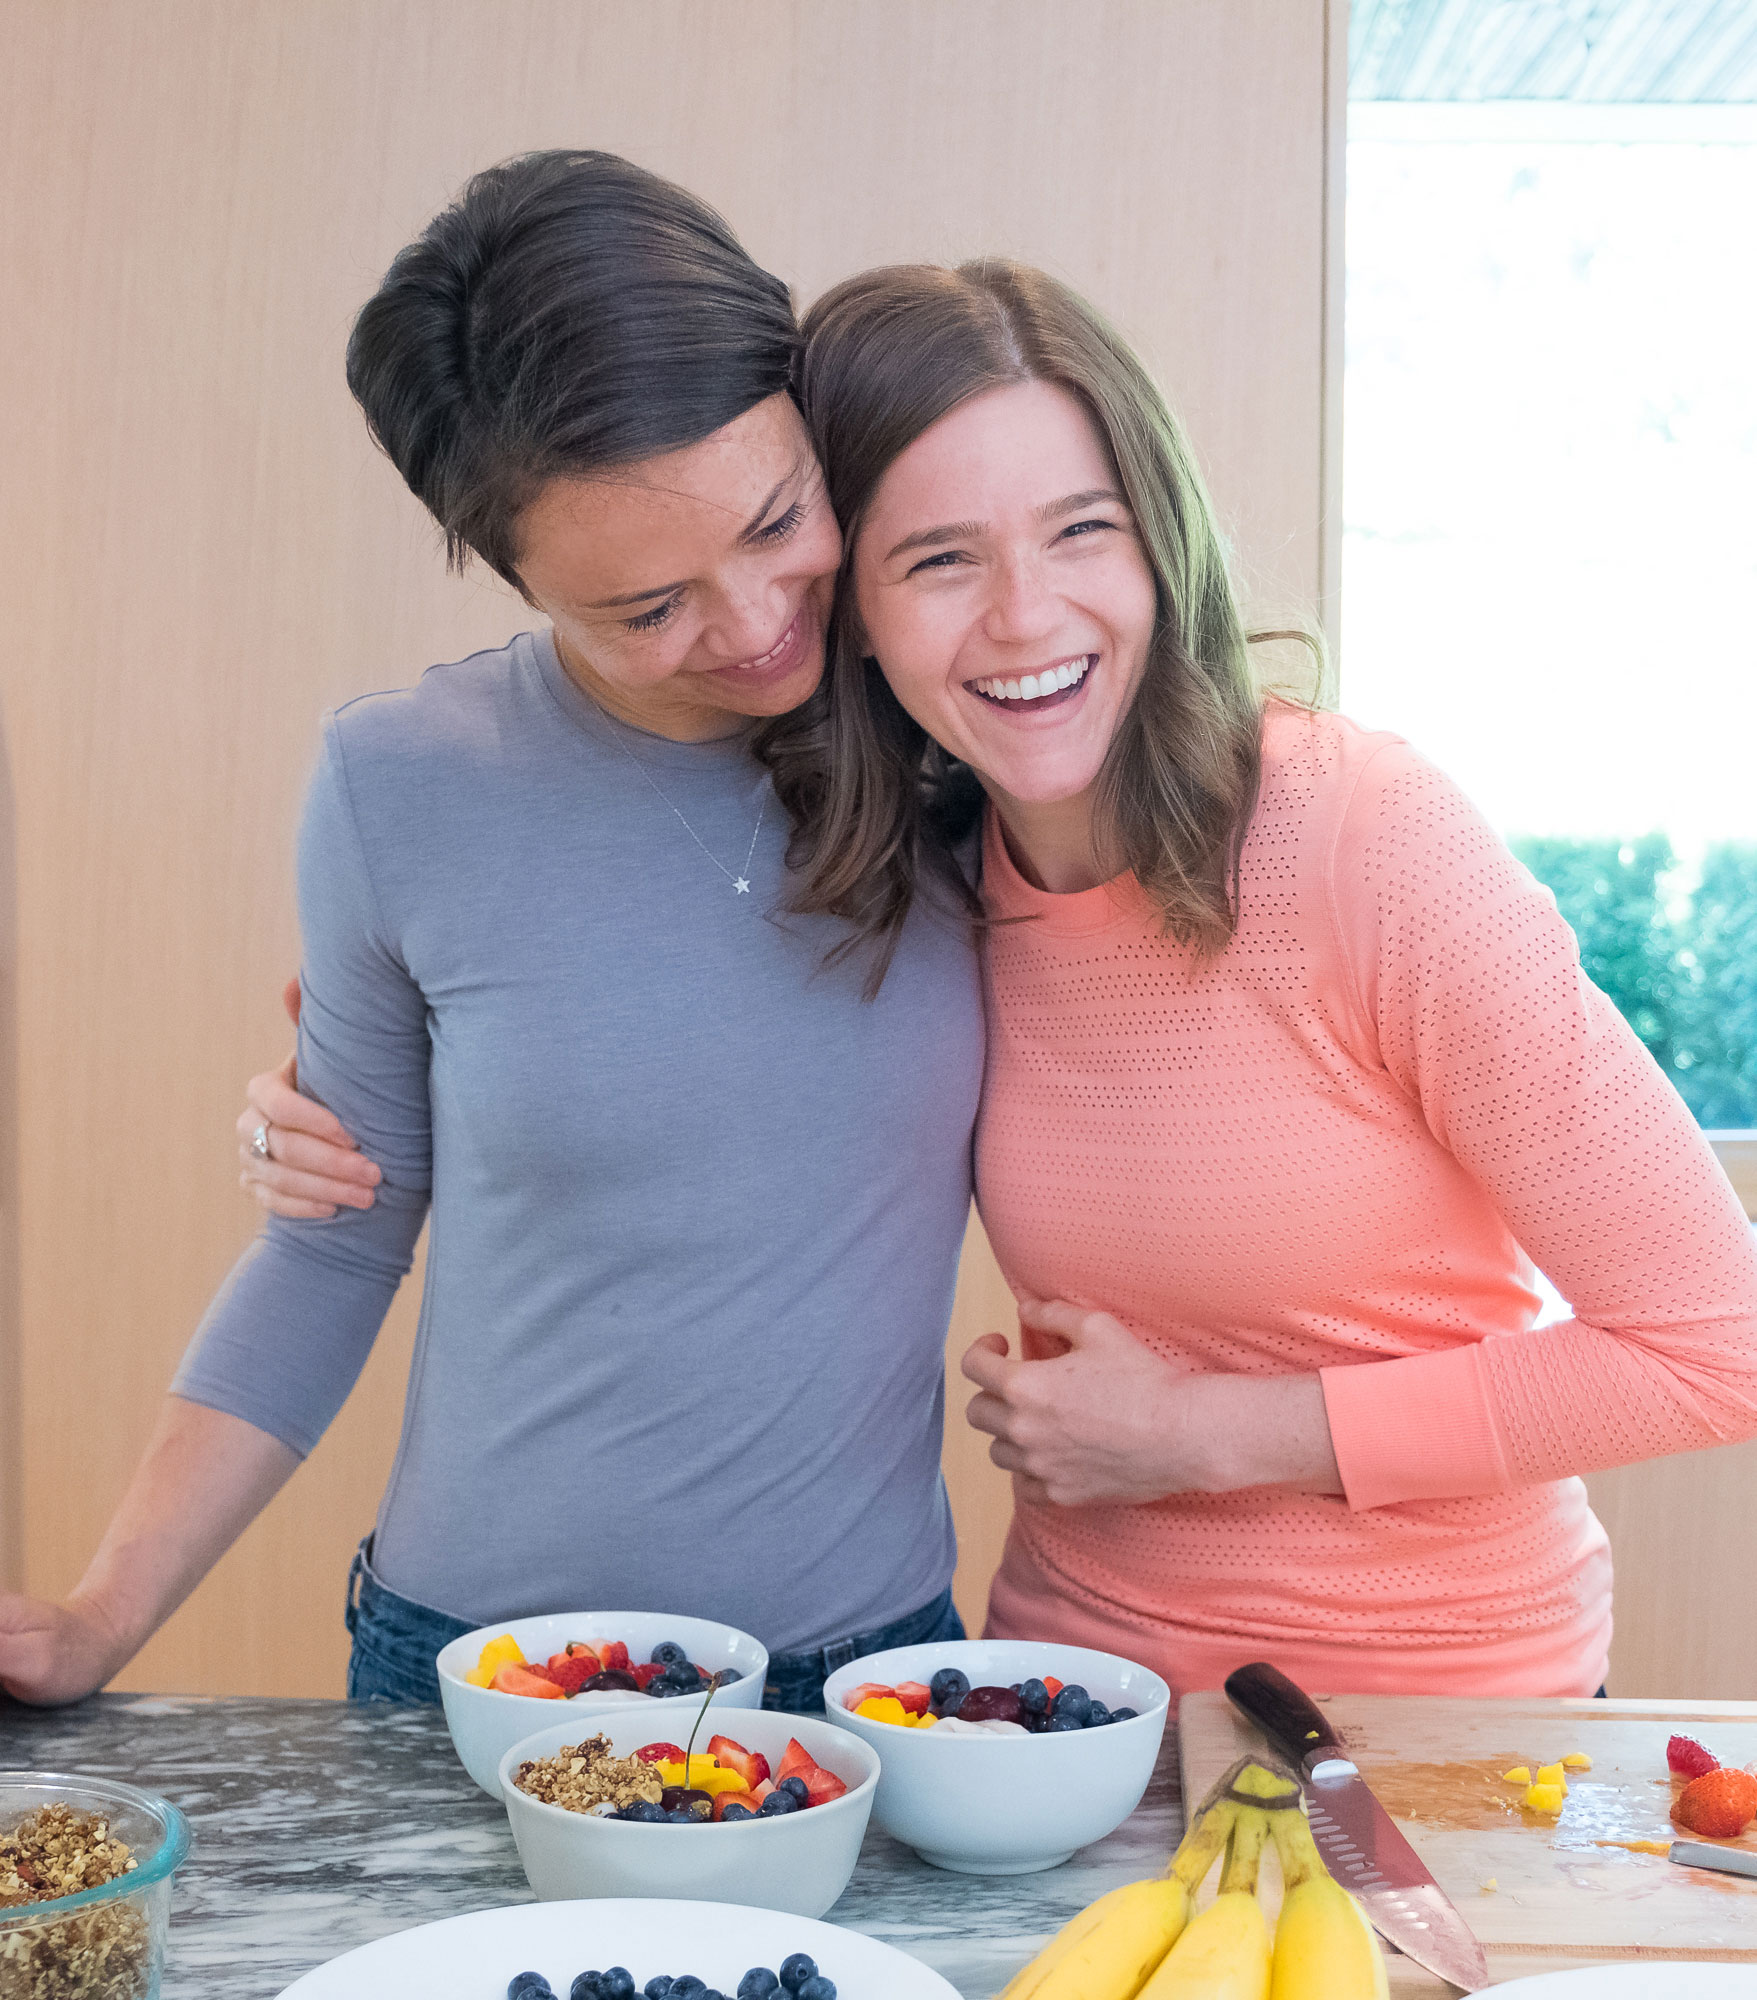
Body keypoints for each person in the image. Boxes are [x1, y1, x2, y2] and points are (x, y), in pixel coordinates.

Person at [248, 254, 1757, 1702]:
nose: (1026, 616)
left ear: (1158, 537)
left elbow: (1716, 1347)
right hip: (1051, 1711)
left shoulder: (1359, 838)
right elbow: (630, 1043)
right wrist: (330, 1119)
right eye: (938, 559)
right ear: (848, 603)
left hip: (1425, 1720)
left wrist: (1205, 1434)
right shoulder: (928, 873)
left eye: (1080, 530)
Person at [0, 152, 980, 1714]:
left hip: (876, 1690)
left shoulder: (962, 736)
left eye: (777, 520)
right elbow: (331, 1246)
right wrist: (102, 1617)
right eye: (641, 608)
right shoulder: (399, 783)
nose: (744, 625)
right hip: (482, 1680)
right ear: (504, 570)